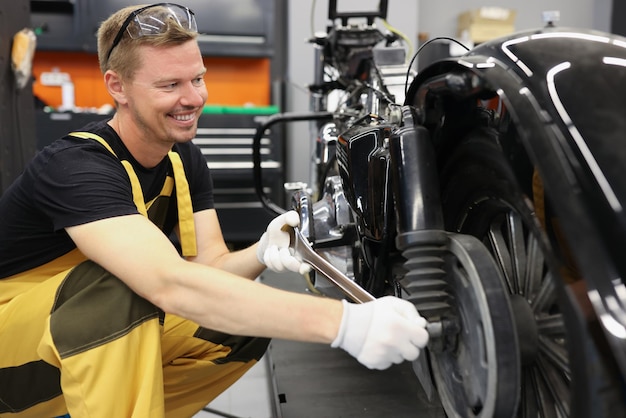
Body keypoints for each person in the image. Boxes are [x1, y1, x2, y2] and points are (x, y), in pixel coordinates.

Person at [0, 3, 429, 417]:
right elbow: (168, 283)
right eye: (170, 85)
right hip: (11, 360)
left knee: (241, 326)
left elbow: (210, 268)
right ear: (118, 87)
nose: (192, 99)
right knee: (119, 288)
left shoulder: (183, 158)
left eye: (198, 79)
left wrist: (261, 253)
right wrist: (344, 324)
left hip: (69, 339)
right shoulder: (75, 166)